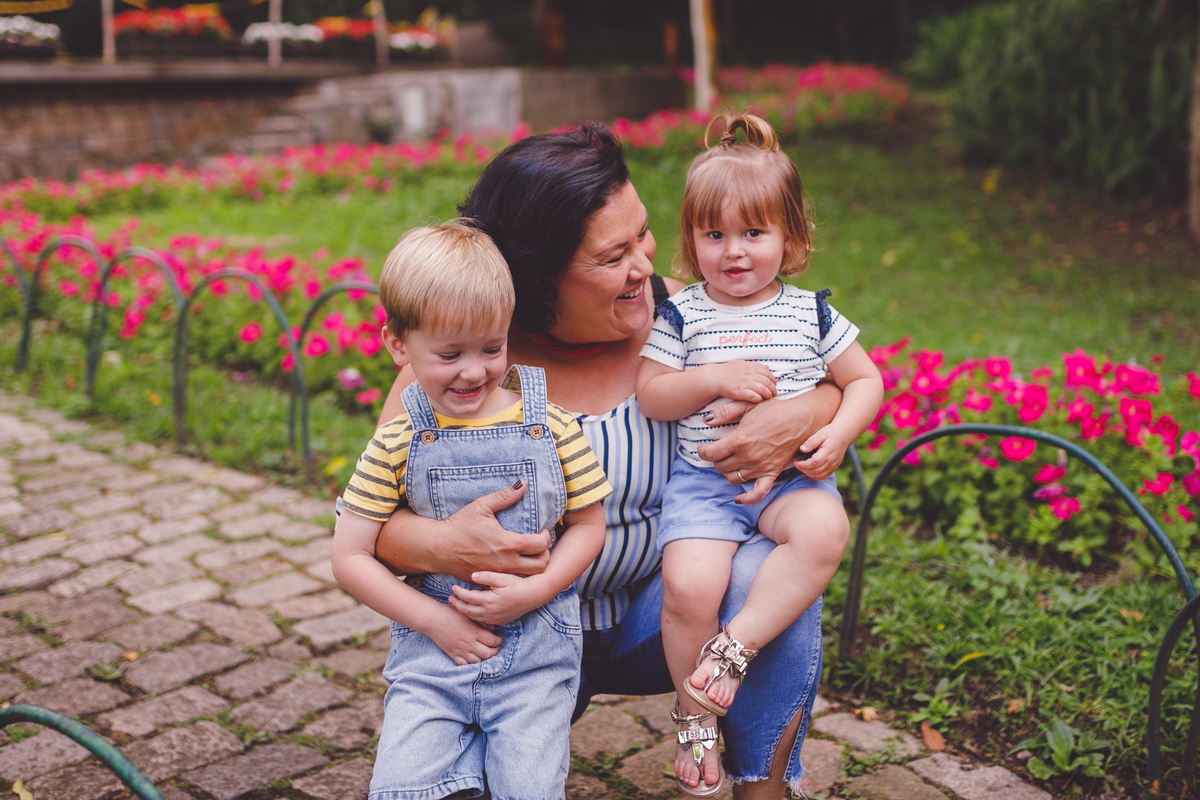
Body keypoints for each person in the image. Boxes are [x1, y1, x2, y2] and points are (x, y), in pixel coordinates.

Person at [371, 122, 849, 800]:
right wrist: (445, 543)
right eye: (612, 255)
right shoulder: (468, 359)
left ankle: (761, 787)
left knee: (767, 573)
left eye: (644, 235)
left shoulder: (684, 317)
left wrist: (808, 410)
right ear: (535, 277)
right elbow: (368, 528)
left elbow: (833, 374)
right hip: (512, 635)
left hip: (654, 619)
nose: (645, 267)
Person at [635, 112, 884, 795]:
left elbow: (865, 380)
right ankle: (696, 721)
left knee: (825, 530)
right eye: (713, 234)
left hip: (789, 483)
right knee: (688, 585)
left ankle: (733, 647)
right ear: (691, 237)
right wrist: (712, 379)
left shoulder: (810, 314)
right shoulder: (682, 314)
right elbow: (652, 393)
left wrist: (837, 433)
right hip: (703, 480)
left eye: (754, 233)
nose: (733, 252)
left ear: (790, 236)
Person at [331, 222, 611, 800]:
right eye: (449, 353)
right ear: (397, 346)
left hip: (536, 658)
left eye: (491, 348)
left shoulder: (551, 425)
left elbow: (589, 525)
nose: (474, 371)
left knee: (530, 788)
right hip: (432, 663)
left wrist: (540, 589)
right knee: (400, 788)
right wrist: (435, 622)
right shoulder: (398, 440)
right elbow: (349, 555)